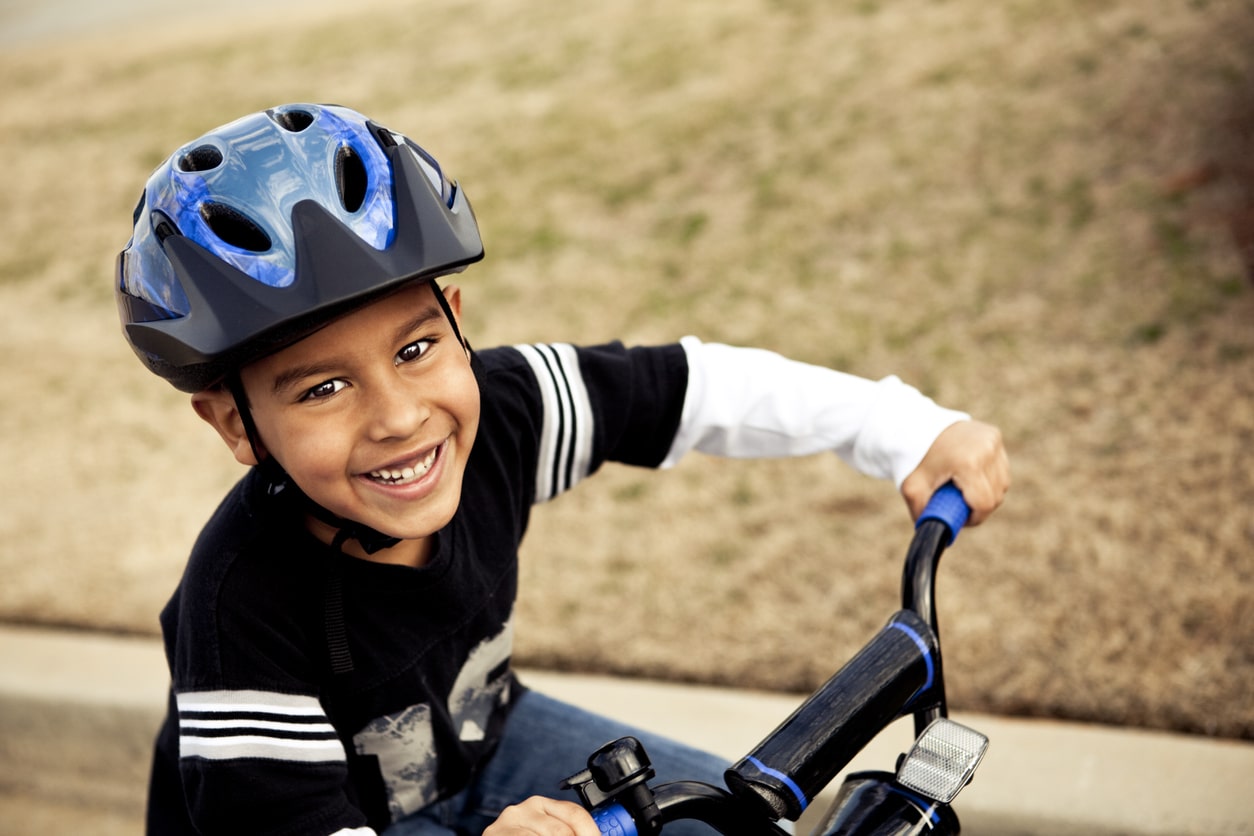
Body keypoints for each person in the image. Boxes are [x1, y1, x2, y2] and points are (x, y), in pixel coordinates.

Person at [115, 103, 1009, 836]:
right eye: (323, 389)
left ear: (456, 318)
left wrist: (903, 427)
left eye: (419, 347)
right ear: (236, 422)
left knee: (739, 828)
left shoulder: (500, 412)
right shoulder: (238, 607)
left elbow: (693, 390)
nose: (398, 416)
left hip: (491, 746)